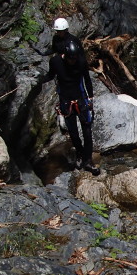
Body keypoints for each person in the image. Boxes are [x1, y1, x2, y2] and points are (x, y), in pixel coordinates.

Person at [42, 40, 100, 175]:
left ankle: (88, 160)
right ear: (65, 56)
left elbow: (87, 80)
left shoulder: (80, 61)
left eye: (75, 58)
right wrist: (39, 79)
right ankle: (79, 153)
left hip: (80, 99)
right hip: (66, 101)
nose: (73, 61)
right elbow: (51, 75)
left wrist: (90, 98)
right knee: (73, 133)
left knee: (87, 132)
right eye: (71, 59)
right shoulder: (56, 61)